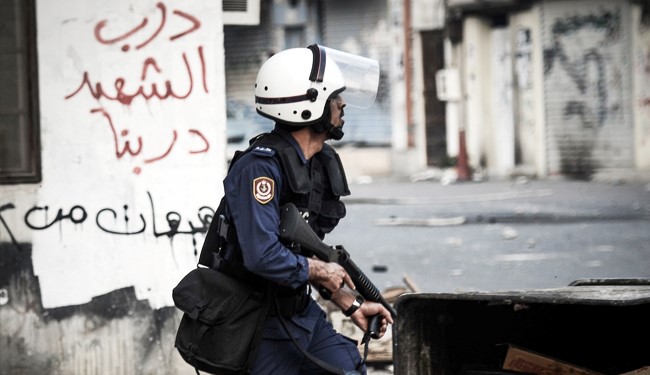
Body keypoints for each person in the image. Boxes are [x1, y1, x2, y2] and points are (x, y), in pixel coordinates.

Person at [220, 44, 394, 374]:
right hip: (255, 321)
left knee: (348, 366)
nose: (342, 104)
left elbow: (303, 251)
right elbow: (263, 255)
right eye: (334, 97)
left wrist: (350, 301)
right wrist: (321, 271)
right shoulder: (259, 169)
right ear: (307, 105)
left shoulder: (316, 166)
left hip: (299, 312)